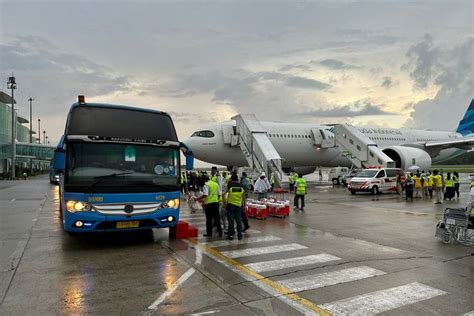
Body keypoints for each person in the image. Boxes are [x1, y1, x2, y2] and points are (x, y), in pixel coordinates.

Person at [225, 174, 245, 240]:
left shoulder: (229, 185)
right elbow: (243, 197)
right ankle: (240, 235)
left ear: (231, 179)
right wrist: (244, 205)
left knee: (231, 221)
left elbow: (223, 193)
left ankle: (230, 235)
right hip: (239, 205)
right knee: (238, 221)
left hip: (230, 205)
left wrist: (225, 202)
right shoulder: (241, 186)